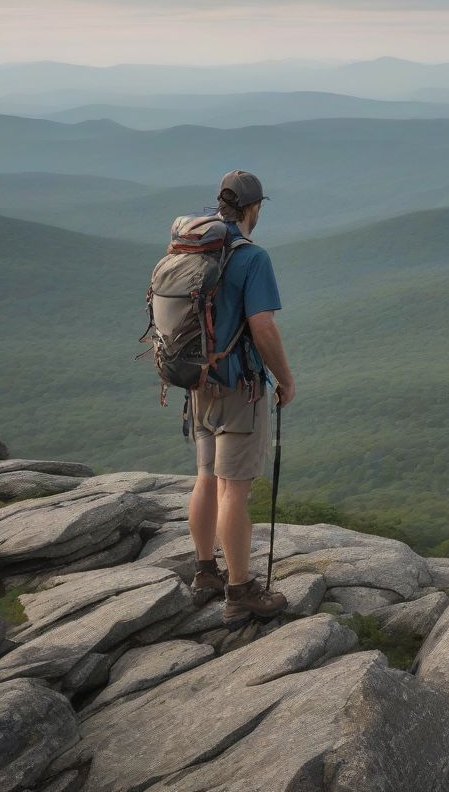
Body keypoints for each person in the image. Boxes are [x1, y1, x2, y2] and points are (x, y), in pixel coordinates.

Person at [186, 170, 296, 622]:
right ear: (255, 209)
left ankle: (204, 571)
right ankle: (239, 591)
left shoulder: (193, 245)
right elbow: (263, 326)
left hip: (197, 380)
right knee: (236, 489)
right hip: (241, 384)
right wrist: (285, 379)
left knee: (206, 476)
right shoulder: (252, 257)